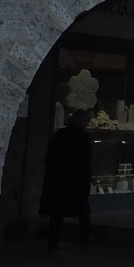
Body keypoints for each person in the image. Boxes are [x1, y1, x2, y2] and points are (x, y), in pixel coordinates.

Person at [40, 108, 93, 252]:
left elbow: (49, 157)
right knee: (82, 208)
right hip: (75, 179)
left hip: (59, 179)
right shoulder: (83, 137)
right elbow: (85, 161)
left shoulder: (60, 135)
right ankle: (86, 237)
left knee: (57, 213)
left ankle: (53, 241)